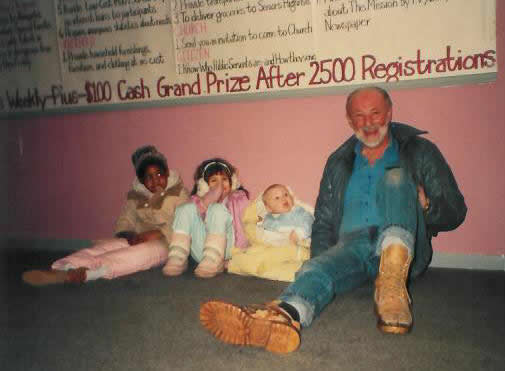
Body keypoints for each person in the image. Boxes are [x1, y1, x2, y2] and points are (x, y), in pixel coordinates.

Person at [199, 86, 467, 354]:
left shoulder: (420, 151)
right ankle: (283, 317)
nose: (369, 122)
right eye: (359, 116)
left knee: (395, 178)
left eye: (375, 113)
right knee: (314, 269)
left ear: (389, 113)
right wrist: (322, 262)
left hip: (406, 247)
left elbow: (455, 212)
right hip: (353, 246)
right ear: (350, 121)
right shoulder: (338, 161)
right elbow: (324, 220)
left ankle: (393, 288)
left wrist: (427, 206)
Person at [22, 145, 189, 286]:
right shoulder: (136, 195)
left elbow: (186, 223)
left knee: (132, 256)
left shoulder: (179, 193)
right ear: (141, 181)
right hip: (137, 237)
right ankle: (64, 268)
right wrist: (128, 235)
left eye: (159, 174)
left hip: (166, 241)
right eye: (148, 177)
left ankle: (87, 273)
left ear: (167, 172)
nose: (155, 181)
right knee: (104, 248)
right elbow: (125, 219)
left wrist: (157, 233)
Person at [162, 158, 250, 278]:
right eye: (214, 180)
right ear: (203, 185)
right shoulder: (197, 201)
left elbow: (244, 229)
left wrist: (238, 258)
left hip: (226, 250)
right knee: (185, 208)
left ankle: (214, 261)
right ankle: (177, 256)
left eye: (224, 179)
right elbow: (190, 220)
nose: (220, 185)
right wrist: (206, 201)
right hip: (201, 252)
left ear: (232, 182)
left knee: (217, 209)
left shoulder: (238, 199)